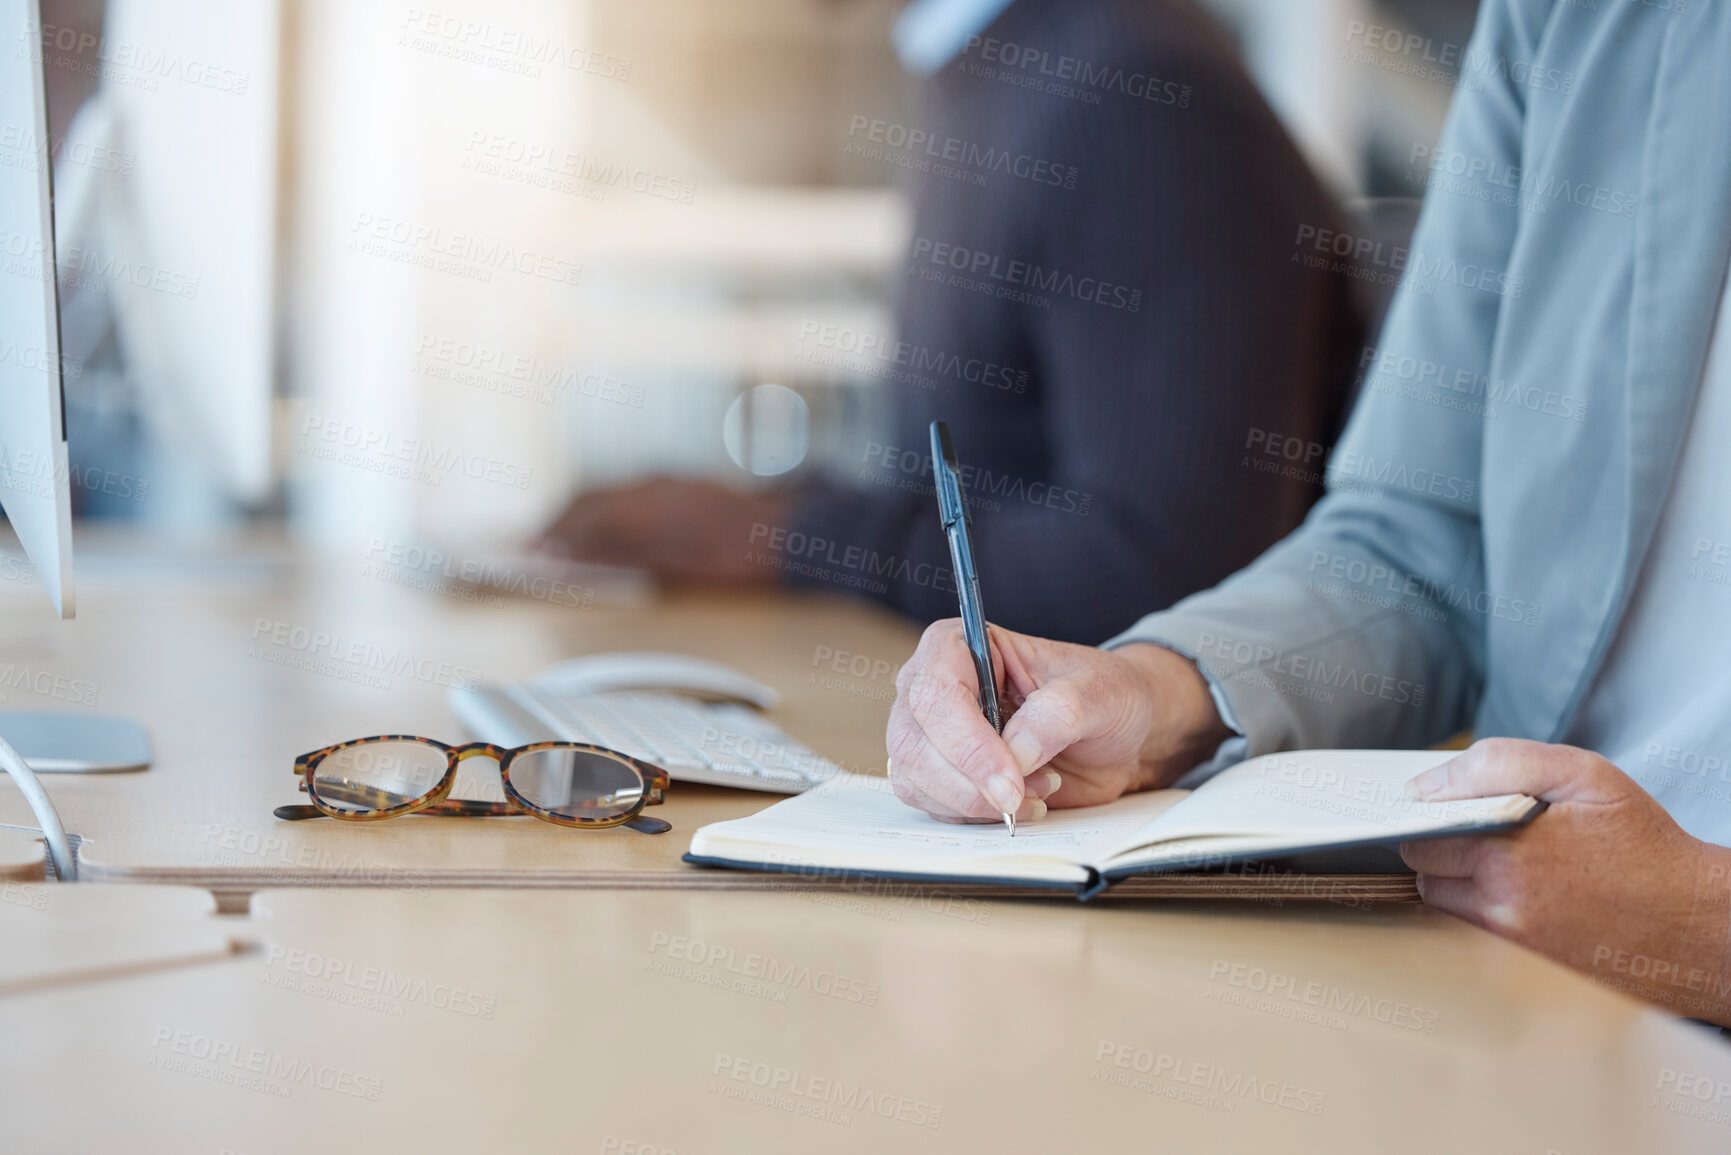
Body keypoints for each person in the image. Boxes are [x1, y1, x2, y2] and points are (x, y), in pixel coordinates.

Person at [884, 0, 1731, 1027]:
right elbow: (1422, 543)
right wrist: (1158, 697)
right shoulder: (1575, 23)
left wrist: (1705, 930)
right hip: (1526, 989)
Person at [539, 0, 1365, 644]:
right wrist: (758, 516)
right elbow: (972, 486)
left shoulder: (1135, 92)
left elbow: (1161, 571)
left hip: (1094, 827)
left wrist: (791, 538)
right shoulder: (1004, 67)